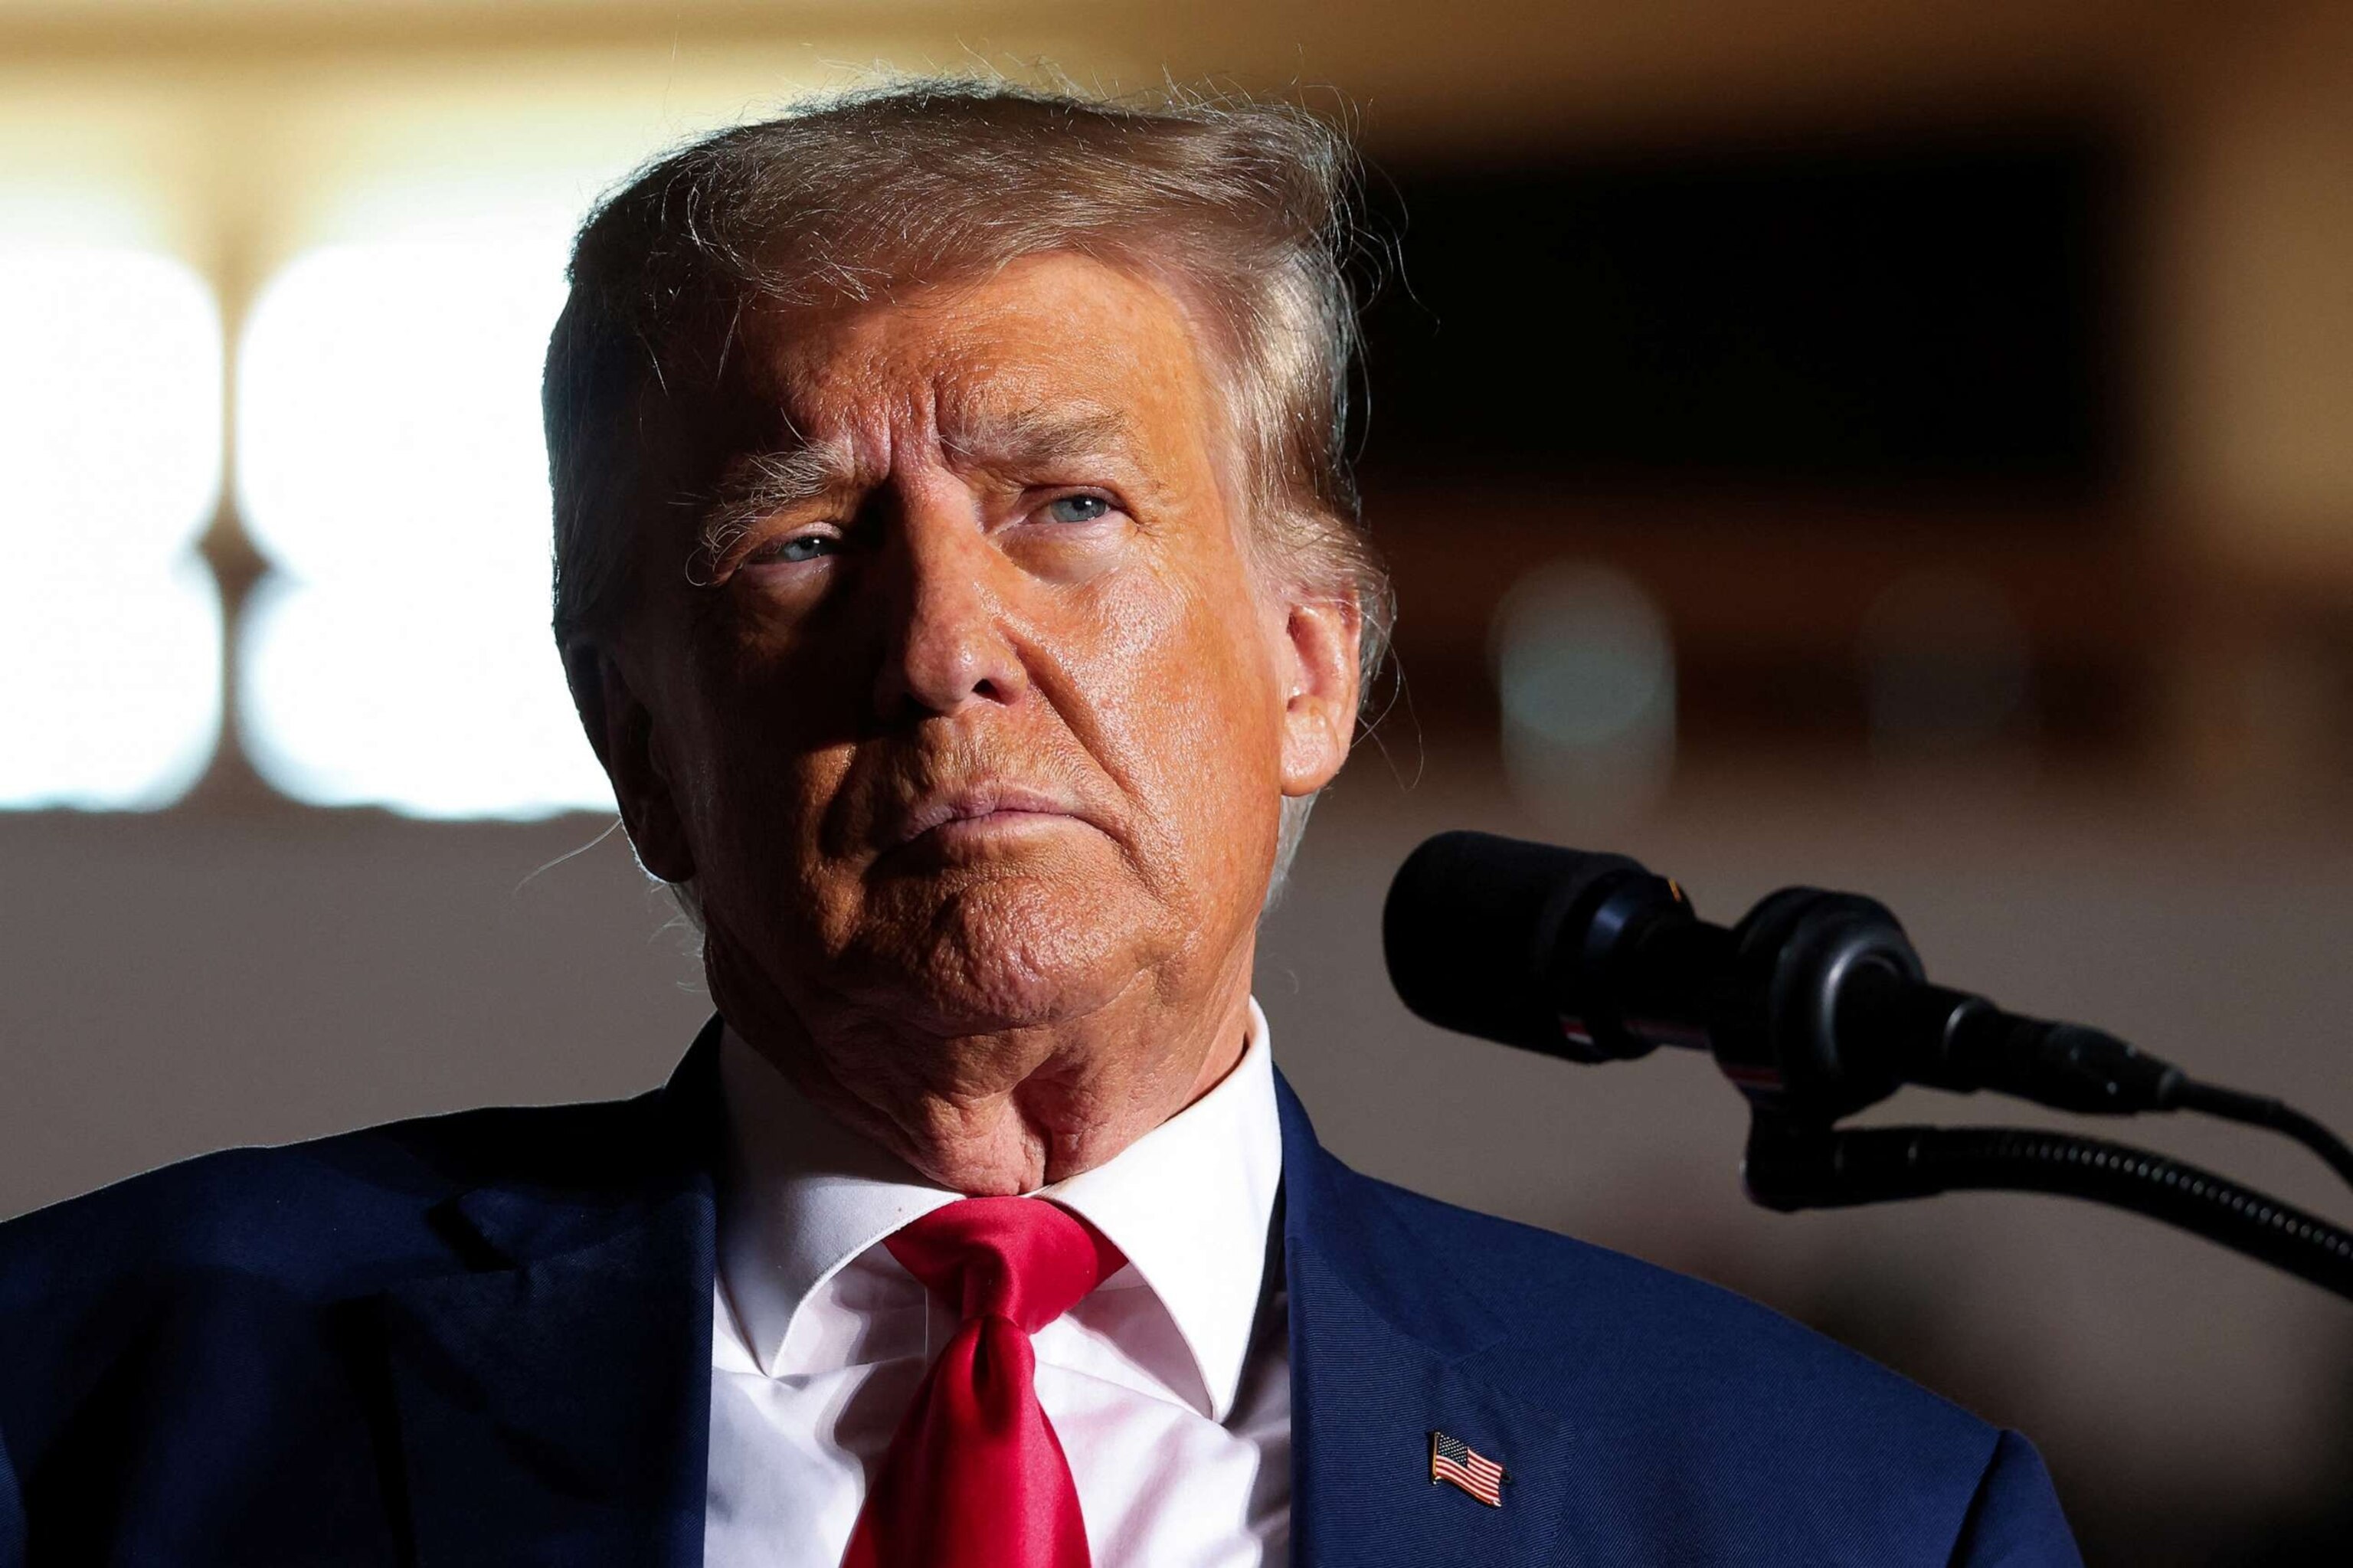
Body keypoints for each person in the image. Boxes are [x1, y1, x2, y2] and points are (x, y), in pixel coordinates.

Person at [0, 83, 2080, 1566]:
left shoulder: (1843, 1513)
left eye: (1064, 509)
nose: (941, 647)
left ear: (1311, 664)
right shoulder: (90, 1402)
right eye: (805, 543)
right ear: (638, 738)